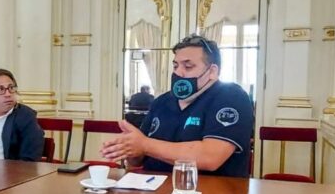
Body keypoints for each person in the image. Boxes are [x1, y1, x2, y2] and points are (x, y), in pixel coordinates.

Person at [100, 34, 254, 177]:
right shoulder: (161, 102)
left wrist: (145, 145)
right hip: (154, 191)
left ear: (212, 71)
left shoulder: (231, 96)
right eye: (175, 66)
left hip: (212, 193)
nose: (178, 73)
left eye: (188, 67)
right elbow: (138, 160)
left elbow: (210, 157)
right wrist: (129, 147)